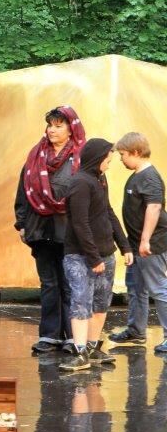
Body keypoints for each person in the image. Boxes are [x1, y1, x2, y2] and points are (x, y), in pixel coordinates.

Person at [14, 106, 87, 354]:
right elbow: (23, 191)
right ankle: (49, 335)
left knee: (69, 283)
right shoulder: (36, 155)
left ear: (71, 129)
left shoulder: (82, 157)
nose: (52, 130)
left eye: (58, 125)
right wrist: (21, 224)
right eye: (50, 125)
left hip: (70, 231)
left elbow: (93, 195)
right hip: (40, 227)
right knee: (49, 283)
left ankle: (71, 335)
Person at [59, 139, 132, 372]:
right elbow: (80, 224)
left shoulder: (99, 179)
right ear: (97, 159)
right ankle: (80, 352)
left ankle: (92, 347)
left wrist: (125, 245)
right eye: (108, 160)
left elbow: (107, 212)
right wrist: (93, 258)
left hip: (105, 254)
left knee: (101, 303)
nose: (110, 164)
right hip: (81, 256)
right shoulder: (80, 183)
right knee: (81, 302)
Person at [111, 132, 167, 351]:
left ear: (136, 152)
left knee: (159, 288)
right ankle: (136, 331)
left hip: (151, 244)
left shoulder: (150, 177)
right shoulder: (136, 175)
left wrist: (145, 241)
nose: (121, 159)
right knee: (136, 288)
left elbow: (154, 208)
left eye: (123, 155)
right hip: (136, 246)